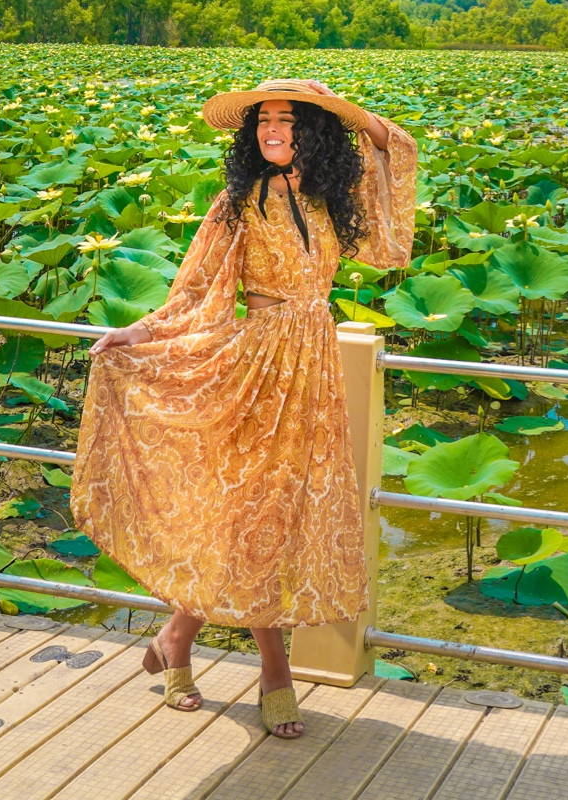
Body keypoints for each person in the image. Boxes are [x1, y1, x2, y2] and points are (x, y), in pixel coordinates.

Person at [70, 77, 417, 737]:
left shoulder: (332, 202)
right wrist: (136, 335)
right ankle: (275, 672)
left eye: (287, 120)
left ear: (312, 132)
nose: (272, 131)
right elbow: (193, 292)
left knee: (274, 519)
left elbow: (393, 192)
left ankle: (175, 638)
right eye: (262, 121)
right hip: (255, 371)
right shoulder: (238, 204)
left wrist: (347, 110)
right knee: (253, 518)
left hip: (311, 375)